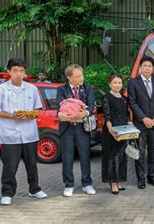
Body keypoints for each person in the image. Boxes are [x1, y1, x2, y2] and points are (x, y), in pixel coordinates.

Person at [0, 58, 48, 205]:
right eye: (15, 71)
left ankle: (34, 189)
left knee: (32, 164)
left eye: (21, 71)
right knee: (10, 165)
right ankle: (7, 193)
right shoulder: (0, 90)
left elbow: (37, 109)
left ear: (24, 72)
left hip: (29, 133)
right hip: (9, 134)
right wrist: (13, 116)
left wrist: (31, 114)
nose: (18, 74)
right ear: (9, 72)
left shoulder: (32, 89)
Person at [57, 64, 96, 197]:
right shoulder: (62, 89)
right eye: (78, 76)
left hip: (82, 128)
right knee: (67, 157)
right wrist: (60, 115)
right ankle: (69, 185)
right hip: (67, 128)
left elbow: (91, 105)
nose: (81, 78)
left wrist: (85, 113)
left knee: (85, 156)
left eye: (82, 75)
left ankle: (87, 184)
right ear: (69, 78)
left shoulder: (88, 88)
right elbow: (59, 106)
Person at [128, 56, 154, 189]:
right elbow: (132, 102)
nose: (147, 68)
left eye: (149, 66)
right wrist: (144, 118)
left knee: (153, 151)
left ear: (153, 69)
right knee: (140, 152)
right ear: (140, 68)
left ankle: (152, 176)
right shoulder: (133, 82)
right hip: (140, 123)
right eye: (144, 66)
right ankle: (141, 178)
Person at [101, 74, 130, 194]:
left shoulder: (124, 98)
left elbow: (126, 115)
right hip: (111, 131)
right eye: (115, 82)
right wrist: (111, 131)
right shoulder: (107, 97)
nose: (117, 85)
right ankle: (112, 183)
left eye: (119, 82)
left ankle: (119, 181)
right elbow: (107, 116)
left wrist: (130, 128)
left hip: (123, 132)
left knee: (121, 157)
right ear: (110, 84)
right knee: (112, 157)